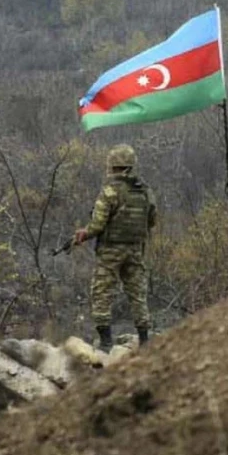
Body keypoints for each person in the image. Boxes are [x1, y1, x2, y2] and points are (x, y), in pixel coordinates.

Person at [73, 144, 157, 351]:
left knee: (102, 292)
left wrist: (84, 234)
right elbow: (152, 220)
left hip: (111, 251)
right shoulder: (145, 191)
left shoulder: (110, 191)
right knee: (137, 294)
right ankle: (145, 340)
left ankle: (106, 342)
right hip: (135, 249)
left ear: (112, 166)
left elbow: (98, 224)